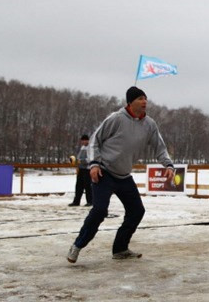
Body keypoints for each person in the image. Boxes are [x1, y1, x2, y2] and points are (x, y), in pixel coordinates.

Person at [67, 86, 174, 263]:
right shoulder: (116, 119)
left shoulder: (150, 124)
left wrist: (168, 165)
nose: (144, 101)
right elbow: (95, 140)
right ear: (130, 102)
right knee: (100, 210)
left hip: (124, 175)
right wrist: (94, 164)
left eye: (145, 98)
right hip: (104, 172)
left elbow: (159, 147)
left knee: (137, 211)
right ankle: (77, 245)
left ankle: (120, 249)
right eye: (140, 98)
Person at [69, 134, 93, 207]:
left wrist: (80, 161)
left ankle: (90, 201)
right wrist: (75, 161)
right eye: (82, 140)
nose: (83, 142)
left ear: (87, 140)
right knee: (78, 186)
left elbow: (90, 159)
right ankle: (76, 201)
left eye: (84, 140)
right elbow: (79, 158)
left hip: (87, 169)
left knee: (87, 186)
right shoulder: (82, 147)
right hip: (81, 169)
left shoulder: (90, 148)